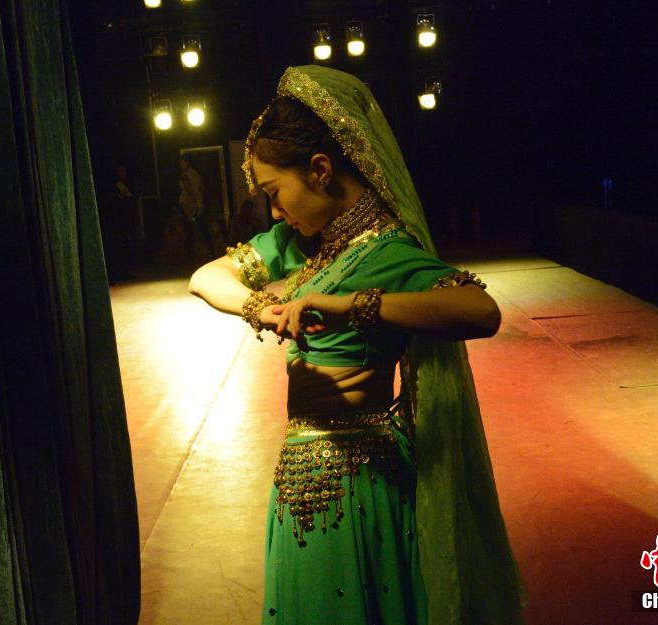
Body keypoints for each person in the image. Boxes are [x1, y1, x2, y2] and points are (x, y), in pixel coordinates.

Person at [189, 66, 525, 625]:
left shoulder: (387, 251)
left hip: (360, 480)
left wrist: (355, 305)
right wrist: (260, 309)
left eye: (275, 193)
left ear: (320, 170)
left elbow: (480, 310)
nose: (276, 213)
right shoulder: (304, 242)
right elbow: (205, 278)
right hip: (302, 475)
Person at [177, 153, 216, 262]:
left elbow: (189, 190)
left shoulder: (185, 175)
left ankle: (192, 254)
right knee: (202, 229)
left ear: (186, 162)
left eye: (181, 161)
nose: (180, 164)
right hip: (197, 204)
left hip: (190, 205)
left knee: (190, 230)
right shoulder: (195, 173)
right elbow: (201, 189)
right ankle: (209, 251)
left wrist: (194, 204)